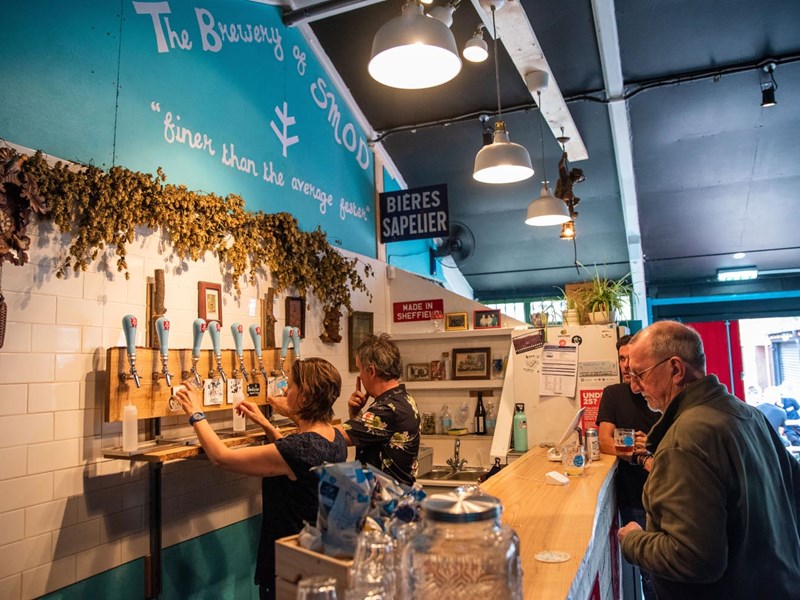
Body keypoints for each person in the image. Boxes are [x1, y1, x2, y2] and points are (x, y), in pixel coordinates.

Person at [618, 321, 800, 599]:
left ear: (676, 369)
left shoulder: (685, 439)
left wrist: (633, 540)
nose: (634, 386)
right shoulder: (750, 414)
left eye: (639, 374)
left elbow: (693, 559)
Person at [176, 357, 347, 600]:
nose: (285, 391)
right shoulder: (335, 438)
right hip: (317, 556)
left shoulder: (299, 448)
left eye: (291, 386)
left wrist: (196, 413)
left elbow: (221, 457)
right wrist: (265, 423)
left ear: (305, 395)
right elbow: (295, 459)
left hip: (288, 563)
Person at [596, 334, 659, 600]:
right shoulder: (613, 394)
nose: (626, 365)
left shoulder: (659, 393)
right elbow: (604, 441)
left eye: (630, 358)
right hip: (634, 495)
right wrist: (636, 454)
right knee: (649, 574)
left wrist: (652, 445)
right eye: (621, 358)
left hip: (666, 491)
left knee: (672, 569)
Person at [340, 333, 420, 485]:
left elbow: (338, 436)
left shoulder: (387, 409)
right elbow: (368, 434)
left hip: (387, 497)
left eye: (360, 370)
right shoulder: (403, 398)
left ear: (371, 371)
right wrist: (355, 413)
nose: (360, 377)